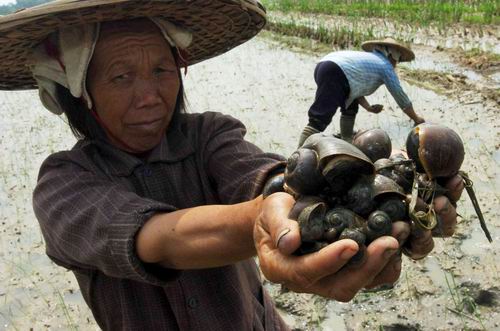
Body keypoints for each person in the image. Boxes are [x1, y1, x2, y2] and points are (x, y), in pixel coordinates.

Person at [0, 1, 462, 330]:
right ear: (78, 94)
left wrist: (301, 196)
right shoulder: (63, 185)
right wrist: (262, 221)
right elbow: (158, 238)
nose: (150, 95)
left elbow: (262, 175)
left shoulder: (209, 135)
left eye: (161, 70)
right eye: (121, 77)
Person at [298, 37, 425, 146]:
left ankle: (346, 140)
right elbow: (400, 97)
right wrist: (416, 118)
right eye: (397, 60)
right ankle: (298, 154)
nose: (396, 64)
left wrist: (368, 108)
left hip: (325, 65)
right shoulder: (385, 66)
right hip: (335, 71)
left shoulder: (369, 59)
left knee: (350, 105)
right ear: (392, 55)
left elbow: (355, 86)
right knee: (319, 118)